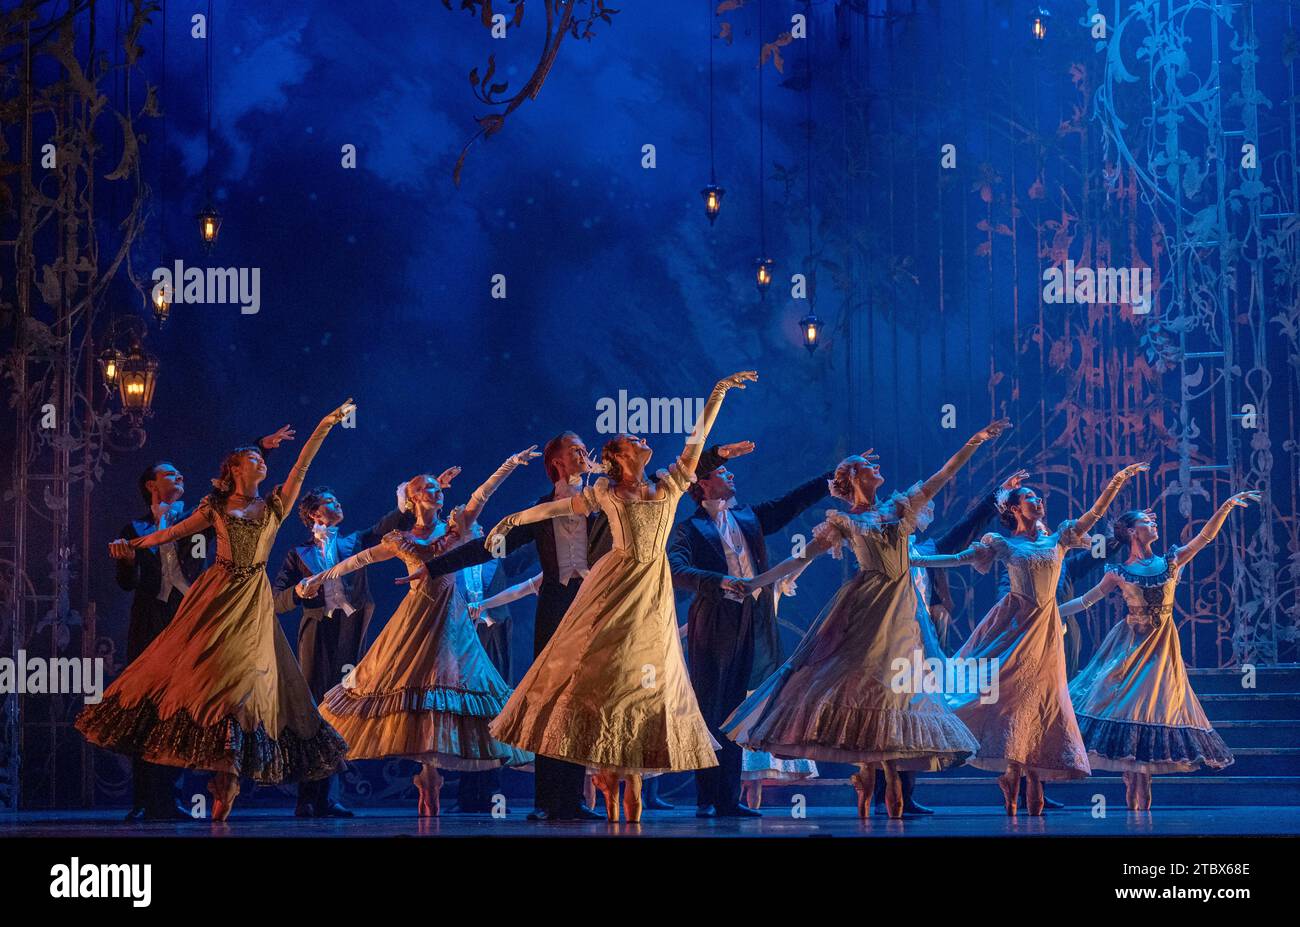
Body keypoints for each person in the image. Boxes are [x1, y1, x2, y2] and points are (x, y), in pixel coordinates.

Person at [484, 371, 758, 822]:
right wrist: (511, 521)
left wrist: (718, 392)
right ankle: (589, 764)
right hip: (615, 581)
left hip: (653, 588)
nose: (643, 436)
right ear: (618, 455)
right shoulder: (605, 492)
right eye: (633, 437)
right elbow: (555, 509)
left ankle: (627, 767)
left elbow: (698, 438)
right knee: (594, 666)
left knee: (649, 673)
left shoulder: (671, 483)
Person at [78, 400, 357, 821]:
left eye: (262, 459)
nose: (261, 462)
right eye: (253, 458)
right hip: (218, 593)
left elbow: (301, 465)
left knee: (251, 684)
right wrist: (130, 546)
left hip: (253, 599)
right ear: (234, 470)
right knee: (208, 677)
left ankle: (229, 776)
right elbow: (171, 532)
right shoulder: (214, 507)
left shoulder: (277, 505)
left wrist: (324, 424)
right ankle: (215, 775)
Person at [724, 419, 1009, 818]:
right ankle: (868, 767)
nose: (877, 468)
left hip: (904, 611)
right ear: (853, 476)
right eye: (866, 465)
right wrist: (757, 581)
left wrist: (974, 442)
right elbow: (800, 558)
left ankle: (887, 769)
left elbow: (943, 475)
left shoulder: (901, 507)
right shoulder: (846, 522)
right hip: (866, 605)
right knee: (860, 683)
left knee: (902, 687)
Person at [302, 449, 541, 816]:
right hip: (415, 617)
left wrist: (507, 465)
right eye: (425, 487)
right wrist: (319, 577)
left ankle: (431, 777)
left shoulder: (457, 527)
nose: (435, 490)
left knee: (449, 686)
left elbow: (481, 496)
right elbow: (359, 559)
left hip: (452, 616)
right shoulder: (399, 537)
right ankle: (426, 777)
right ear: (412, 498)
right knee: (404, 683)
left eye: (436, 487)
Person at [913, 462, 1149, 815]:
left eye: (1038, 497)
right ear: (1013, 509)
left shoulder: (1060, 539)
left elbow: (1094, 514)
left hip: (1049, 633)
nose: (1038, 501)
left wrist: (1117, 481)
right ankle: (1014, 770)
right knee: (1012, 698)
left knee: (1045, 702)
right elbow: (959, 558)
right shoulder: (1004, 545)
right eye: (1029, 497)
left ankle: (1031, 773)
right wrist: (914, 561)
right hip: (1017, 630)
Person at [407, 431, 611, 822]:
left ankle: (575, 797)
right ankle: (548, 799)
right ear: (557, 464)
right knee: (549, 699)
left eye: (584, 448)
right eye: (574, 450)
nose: (584, 453)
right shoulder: (538, 510)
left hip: (595, 605)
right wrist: (433, 567)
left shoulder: (605, 501)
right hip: (556, 605)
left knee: (585, 699)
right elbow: (489, 545)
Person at [111, 426, 294, 820]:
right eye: (170, 475)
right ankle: (145, 799)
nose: (180, 478)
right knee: (153, 697)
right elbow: (129, 583)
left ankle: (173, 796)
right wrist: (127, 559)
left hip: (196, 612)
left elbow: (244, 504)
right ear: (150, 485)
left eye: (181, 474)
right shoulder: (135, 529)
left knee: (193, 696)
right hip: (153, 617)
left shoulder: (207, 510)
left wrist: (263, 449)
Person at [1060, 494, 1256, 810]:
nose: (1154, 524)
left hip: (1161, 649)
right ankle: (1133, 793)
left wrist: (1225, 507)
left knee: (1151, 709)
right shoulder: (1118, 571)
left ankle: (1142, 798)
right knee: (1127, 708)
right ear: (1132, 532)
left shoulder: (1171, 560)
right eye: (1146, 522)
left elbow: (1205, 537)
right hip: (1129, 646)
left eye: (1152, 521)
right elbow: (1086, 600)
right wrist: (1052, 613)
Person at [668, 441, 832, 817]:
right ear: (704, 484)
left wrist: (830, 479)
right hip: (714, 620)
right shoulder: (689, 529)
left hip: (750, 619)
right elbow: (676, 570)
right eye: (723, 472)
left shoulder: (747, 517)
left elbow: (790, 504)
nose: (731, 475)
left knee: (737, 708)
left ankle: (728, 798)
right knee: (711, 708)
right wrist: (721, 581)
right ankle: (708, 797)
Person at [272, 483, 423, 817]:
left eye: (337, 499)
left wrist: (402, 502)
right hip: (317, 634)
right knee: (312, 711)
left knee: (340, 712)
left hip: (349, 633)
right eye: (329, 501)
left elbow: (384, 529)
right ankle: (307, 796)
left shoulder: (352, 542)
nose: (338, 503)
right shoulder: (298, 553)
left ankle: (329, 796)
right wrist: (298, 592)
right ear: (313, 513)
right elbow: (276, 598)